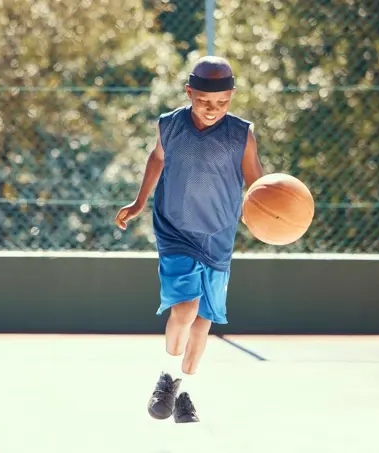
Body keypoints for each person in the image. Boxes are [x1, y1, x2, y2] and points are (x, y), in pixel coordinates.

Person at [114, 56, 264, 423]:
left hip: (218, 236)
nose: (213, 109)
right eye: (204, 101)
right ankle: (166, 378)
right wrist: (138, 202)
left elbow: (257, 183)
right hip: (175, 230)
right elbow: (157, 158)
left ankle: (185, 393)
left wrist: (269, 216)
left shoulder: (241, 134)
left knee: (202, 324)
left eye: (222, 102)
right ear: (189, 92)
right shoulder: (169, 126)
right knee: (185, 309)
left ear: (231, 96)